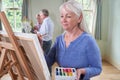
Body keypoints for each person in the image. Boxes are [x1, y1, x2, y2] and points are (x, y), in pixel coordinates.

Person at [45, 0, 102, 80]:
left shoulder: (88, 41)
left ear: (79, 18)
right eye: (62, 16)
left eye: (68, 16)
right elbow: (47, 61)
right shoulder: (58, 40)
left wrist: (83, 71)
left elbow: (97, 68)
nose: (63, 20)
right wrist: (37, 45)